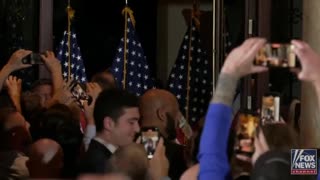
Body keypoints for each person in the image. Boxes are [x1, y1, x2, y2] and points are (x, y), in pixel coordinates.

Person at [78, 89, 140, 174]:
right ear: (109, 123)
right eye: (131, 122)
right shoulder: (101, 165)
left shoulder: (105, 158)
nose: (137, 129)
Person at [140, 89, 187, 179]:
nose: (178, 120)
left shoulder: (125, 147)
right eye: (176, 112)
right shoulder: (177, 154)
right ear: (162, 114)